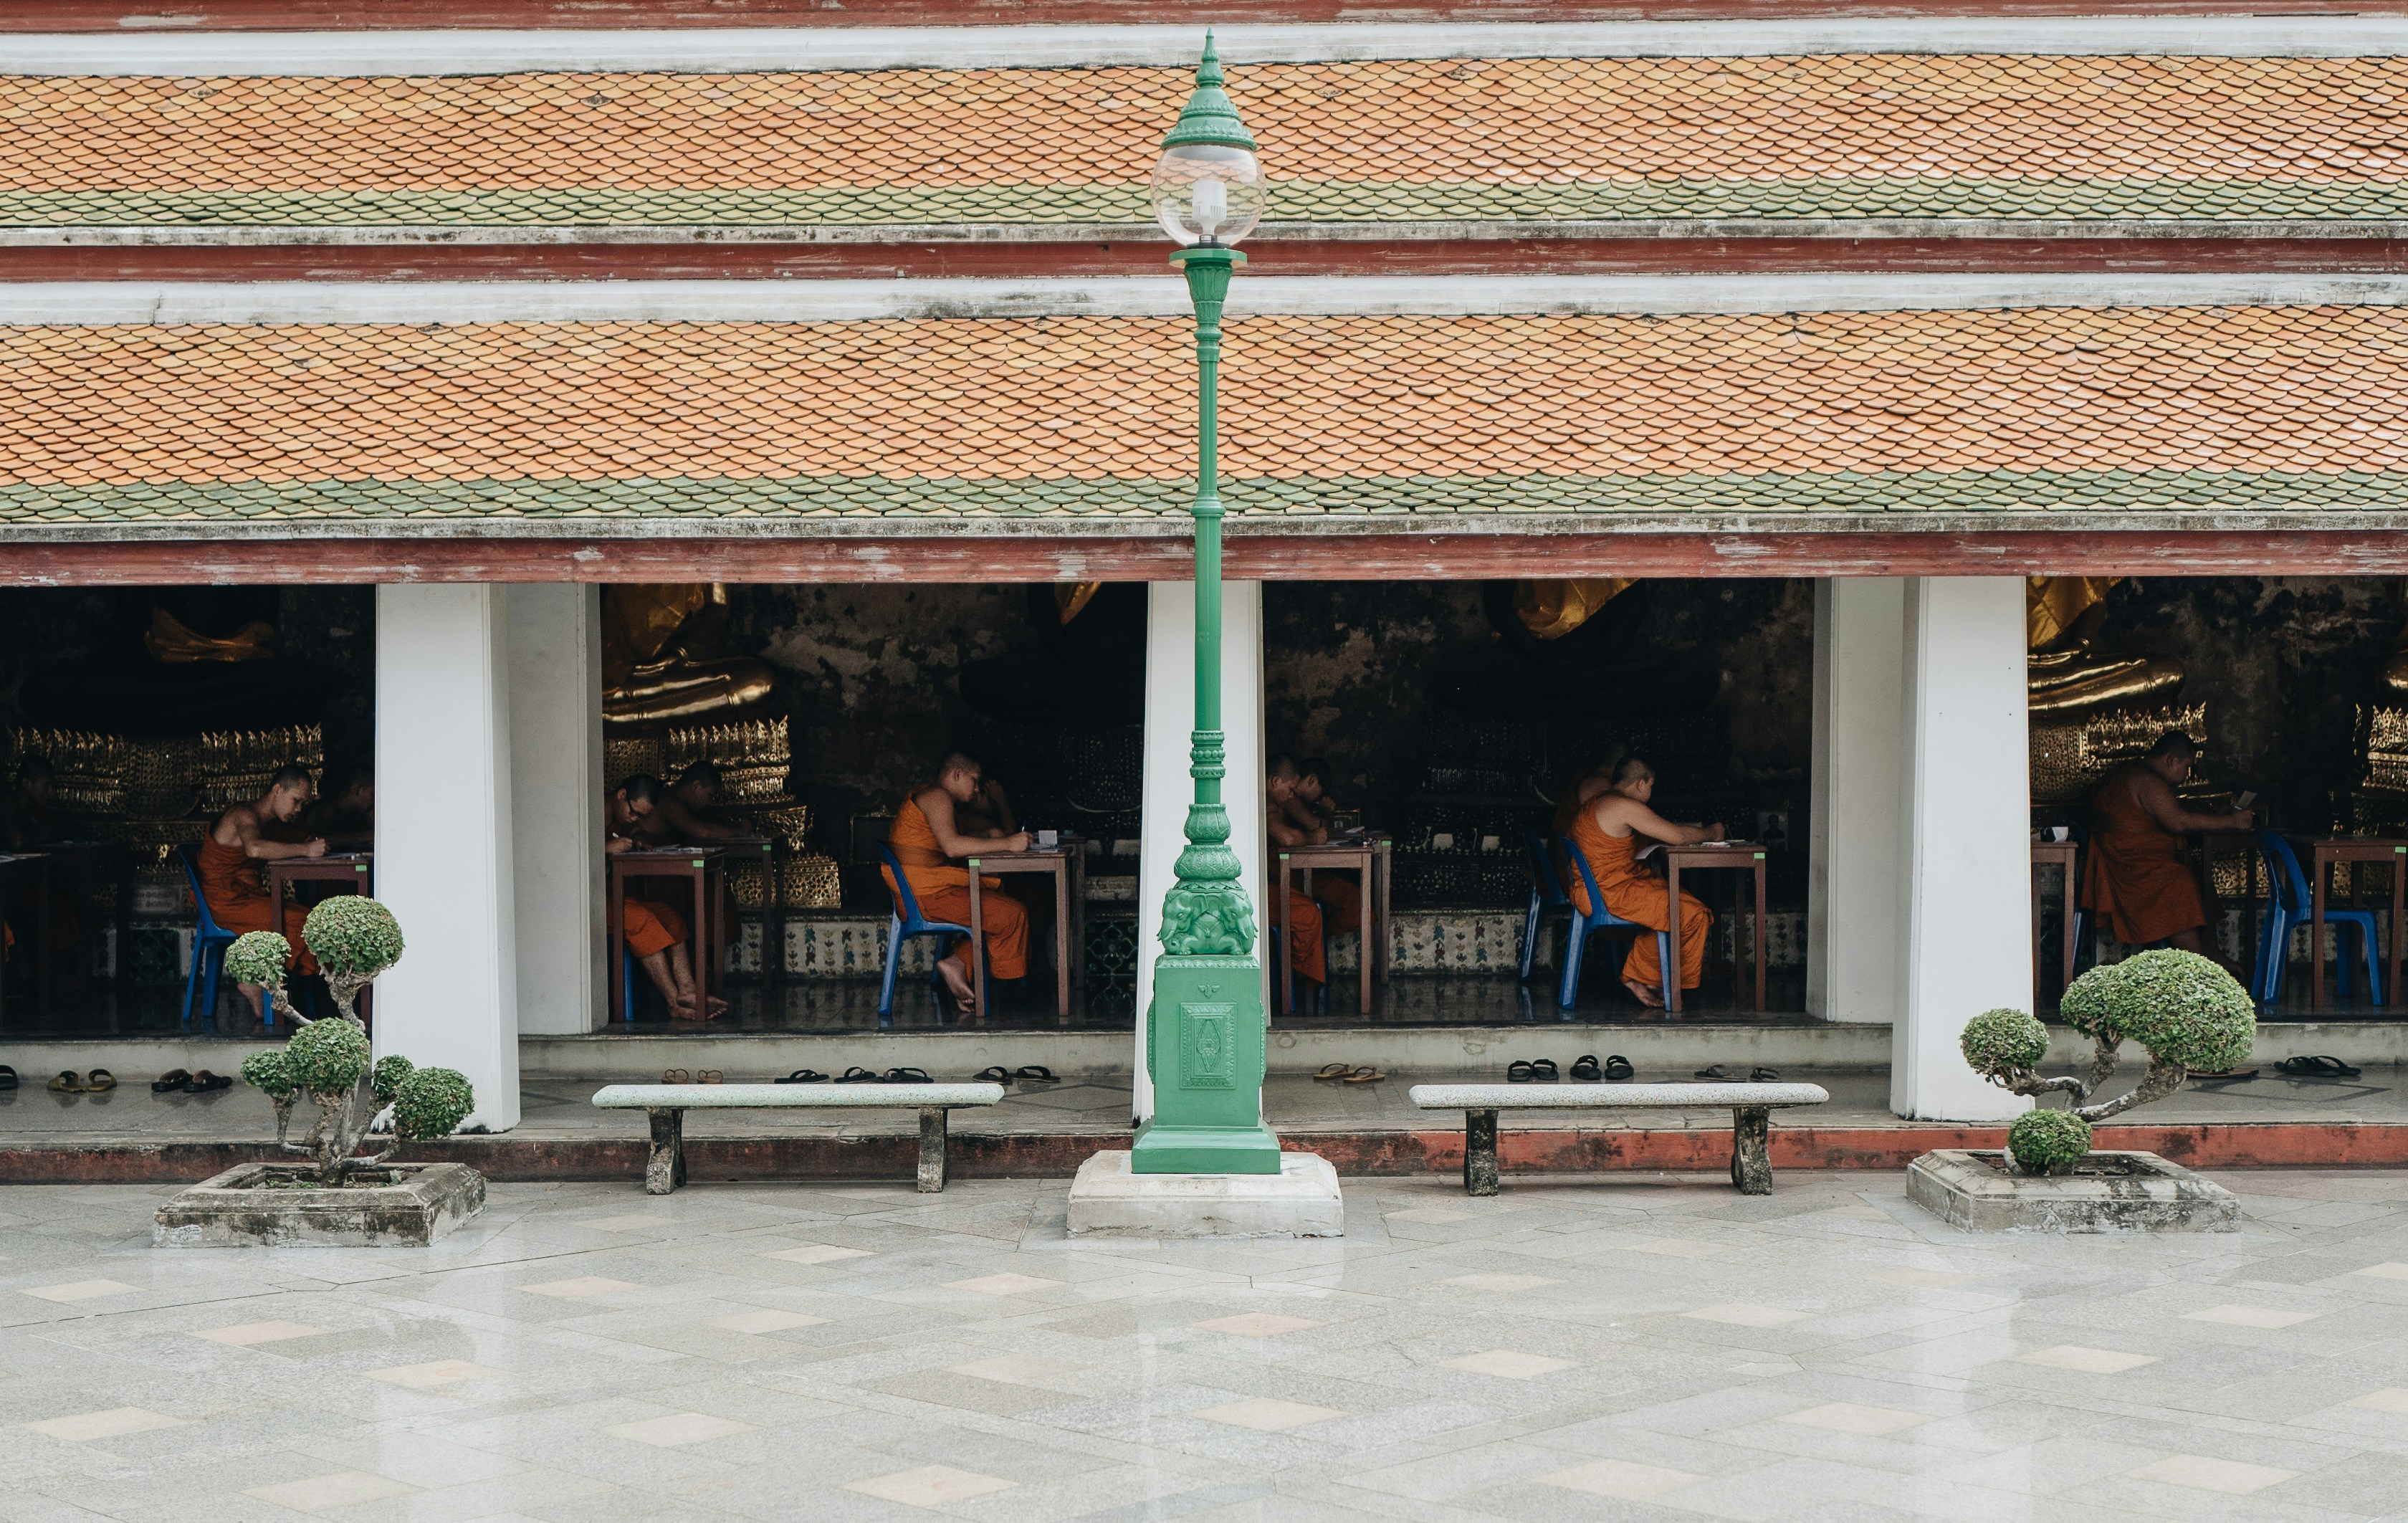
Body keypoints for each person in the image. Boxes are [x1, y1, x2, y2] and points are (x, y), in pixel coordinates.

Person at [1564, 755, 1721, 1007]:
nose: (1650, 792)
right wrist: (1713, 832)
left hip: (1600, 888)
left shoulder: (1599, 801)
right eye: (1651, 786)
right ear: (1640, 784)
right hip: (1608, 894)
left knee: (1683, 901)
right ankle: (1641, 977)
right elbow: (1678, 836)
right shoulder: (1624, 806)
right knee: (1692, 913)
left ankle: (1650, 977)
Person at [885, 753, 1031, 1018]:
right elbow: (952, 847)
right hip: (925, 898)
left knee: (1003, 902)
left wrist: (996, 830)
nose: (976, 789)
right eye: (974, 780)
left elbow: (983, 832)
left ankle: (957, 962)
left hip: (922, 895)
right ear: (957, 775)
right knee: (1012, 913)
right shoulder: (937, 797)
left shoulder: (937, 800)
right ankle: (1005, 999)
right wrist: (1009, 844)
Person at [2082, 731, 2252, 956]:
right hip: (2130, 870)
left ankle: (2213, 955)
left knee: (2200, 880)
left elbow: (2171, 815)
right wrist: (2232, 821)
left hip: (2138, 861)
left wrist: (2218, 817)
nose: (2188, 774)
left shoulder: (2136, 773)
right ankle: (2198, 968)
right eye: (2187, 766)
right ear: (2171, 760)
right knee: (2180, 883)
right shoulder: (2147, 780)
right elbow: (2178, 822)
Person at [197, 763, 325, 1026]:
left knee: (310, 916)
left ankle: (258, 980)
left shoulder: (269, 824)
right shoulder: (243, 815)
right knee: (301, 922)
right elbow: (254, 849)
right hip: (224, 902)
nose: (299, 810)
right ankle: (252, 980)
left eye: (304, 804)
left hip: (247, 897)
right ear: (277, 790)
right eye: (296, 801)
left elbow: (312, 838)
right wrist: (305, 850)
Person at [606, 773, 721, 1020]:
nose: (635, 819)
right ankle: (673, 1001)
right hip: (593, 900)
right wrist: (605, 849)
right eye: (634, 812)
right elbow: (571, 850)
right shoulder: (592, 812)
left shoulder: (625, 818)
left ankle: (688, 989)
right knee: (642, 921)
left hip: (620, 894)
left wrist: (639, 839)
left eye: (643, 817)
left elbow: (636, 830)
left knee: (670, 916)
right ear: (622, 795)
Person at [1268, 756, 1360, 989]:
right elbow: (1291, 837)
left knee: (1354, 903)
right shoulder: (1268, 801)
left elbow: (1309, 829)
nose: (1291, 795)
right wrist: (1311, 833)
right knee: (1310, 915)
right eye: (1289, 789)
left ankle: (1313, 940)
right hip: (1271, 878)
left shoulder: (1283, 798)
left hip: (1294, 873)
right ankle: (1303, 986)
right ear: (1276, 781)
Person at [632, 761, 745, 845]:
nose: (710, 803)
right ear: (696, 786)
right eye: (709, 796)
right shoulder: (670, 803)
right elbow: (703, 832)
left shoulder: (679, 802)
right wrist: (740, 830)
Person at [294, 764, 374, 851]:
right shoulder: (327, 810)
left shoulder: (354, 814)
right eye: (372, 795)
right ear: (358, 790)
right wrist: (368, 836)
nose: (374, 801)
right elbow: (320, 842)